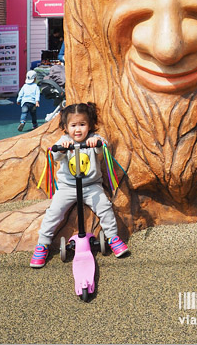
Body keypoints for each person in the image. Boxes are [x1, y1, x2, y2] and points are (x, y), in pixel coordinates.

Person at [30, 101, 128, 268]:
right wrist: (61, 149)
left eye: (82, 125)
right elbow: (55, 156)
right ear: (66, 127)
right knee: (54, 212)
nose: (77, 129)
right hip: (68, 187)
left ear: (89, 126)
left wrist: (96, 144)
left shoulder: (93, 139)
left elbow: (101, 149)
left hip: (91, 186)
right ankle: (42, 245)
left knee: (105, 207)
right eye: (73, 125)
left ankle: (113, 238)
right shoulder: (64, 140)